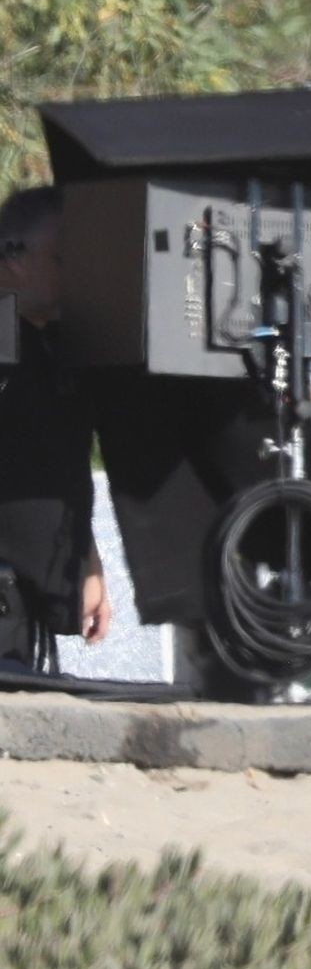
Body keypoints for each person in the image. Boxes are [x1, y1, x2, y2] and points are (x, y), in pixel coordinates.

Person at [0, 186, 111, 669]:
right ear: (14, 257)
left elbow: (63, 466)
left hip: (28, 602)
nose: (74, 275)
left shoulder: (57, 348)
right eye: (61, 258)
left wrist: (89, 563)